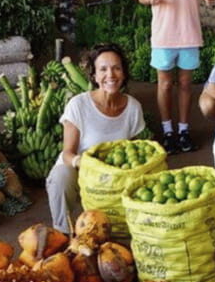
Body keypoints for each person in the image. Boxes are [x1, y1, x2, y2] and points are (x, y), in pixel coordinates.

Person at [46, 44, 146, 233]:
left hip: (115, 178)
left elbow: (134, 151)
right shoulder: (79, 105)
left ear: (124, 73)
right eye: (103, 69)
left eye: (117, 68)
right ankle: (62, 233)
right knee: (61, 176)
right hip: (82, 173)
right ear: (94, 75)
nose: (111, 74)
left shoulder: (133, 108)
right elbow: (67, 153)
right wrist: (84, 163)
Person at [138, 0, 214, 154]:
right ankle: (167, 131)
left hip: (189, 32)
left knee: (185, 84)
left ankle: (183, 130)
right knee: (165, 84)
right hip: (163, 33)